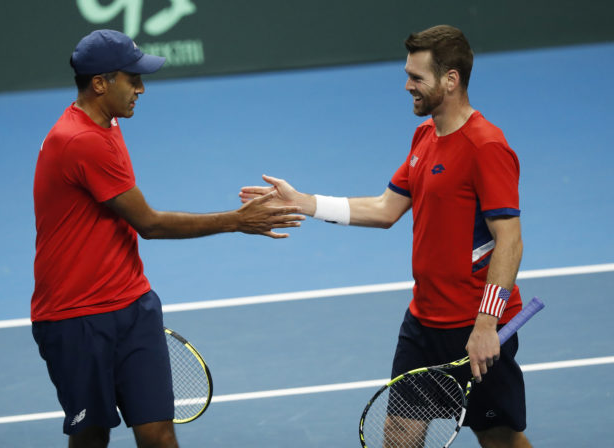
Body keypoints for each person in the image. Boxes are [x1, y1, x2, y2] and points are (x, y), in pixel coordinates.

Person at [240, 25, 530, 447]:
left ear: (450, 80)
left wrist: (486, 324)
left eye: (417, 78)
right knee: (397, 434)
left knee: (498, 438)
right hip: (423, 321)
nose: (407, 85)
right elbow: (385, 209)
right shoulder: (425, 137)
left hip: (473, 325)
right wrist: (304, 201)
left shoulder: (486, 146)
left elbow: (510, 241)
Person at [31, 29, 303, 448]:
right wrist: (236, 220)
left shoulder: (107, 121)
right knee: (92, 437)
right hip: (76, 316)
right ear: (100, 83)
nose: (141, 87)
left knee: (159, 434)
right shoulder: (80, 140)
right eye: (132, 78)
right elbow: (150, 224)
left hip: (132, 304)